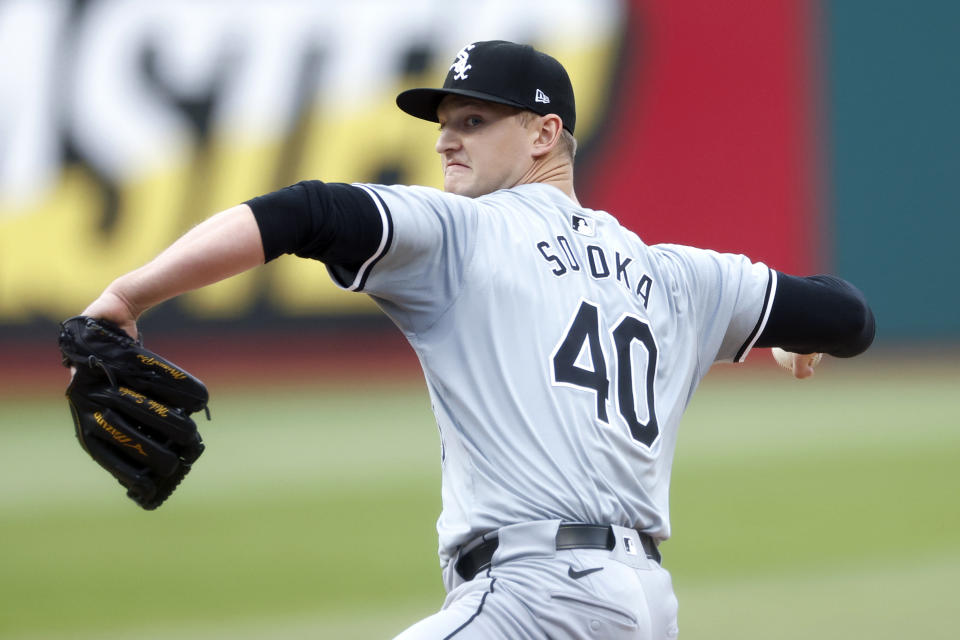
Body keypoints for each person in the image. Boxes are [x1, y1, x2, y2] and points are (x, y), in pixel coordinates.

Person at [77, 40, 875, 639]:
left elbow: (302, 211)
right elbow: (847, 316)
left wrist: (125, 296)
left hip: (533, 600)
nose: (443, 142)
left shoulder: (467, 231)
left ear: (542, 134)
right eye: (444, 122)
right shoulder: (675, 276)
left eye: (472, 120)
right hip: (643, 608)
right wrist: (789, 336)